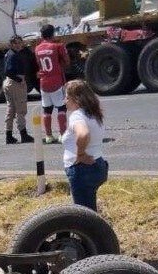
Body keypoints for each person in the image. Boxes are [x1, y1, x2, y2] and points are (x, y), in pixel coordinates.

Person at [61, 80, 108, 211]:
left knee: (83, 217)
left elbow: (83, 134)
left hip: (82, 170)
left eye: (67, 97)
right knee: (90, 212)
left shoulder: (76, 116)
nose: (65, 101)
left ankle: (90, 232)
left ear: (76, 99)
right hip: (97, 164)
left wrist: (80, 154)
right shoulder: (94, 114)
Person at [35, 24, 70, 144]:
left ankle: (49, 136)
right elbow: (67, 60)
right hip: (56, 81)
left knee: (47, 110)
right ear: (53, 34)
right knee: (61, 108)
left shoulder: (37, 48)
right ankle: (62, 134)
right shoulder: (57, 46)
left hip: (43, 83)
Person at [3, 35, 35, 145]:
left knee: (11, 109)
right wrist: (19, 80)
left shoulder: (9, 54)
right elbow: (8, 71)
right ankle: (23, 134)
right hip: (16, 82)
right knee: (20, 109)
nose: (18, 45)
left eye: (19, 43)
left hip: (9, 83)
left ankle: (8, 135)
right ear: (11, 44)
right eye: (16, 43)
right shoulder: (13, 55)